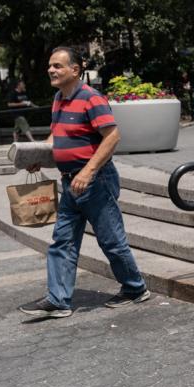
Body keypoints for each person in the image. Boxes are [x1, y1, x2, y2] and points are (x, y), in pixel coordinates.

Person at [18, 47, 150, 319]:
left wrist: (88, 172)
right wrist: (40, 156)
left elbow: (112, 136)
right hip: (70, 183)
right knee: (61, 241)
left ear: (75, 70)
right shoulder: (59, 99)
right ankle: (59, 300)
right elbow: (57, 135)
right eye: (50, 66)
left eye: (57, 66)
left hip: (95, 180)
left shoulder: (91, 98)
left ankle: (135, 288)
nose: (51, 70)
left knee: (111, 240)